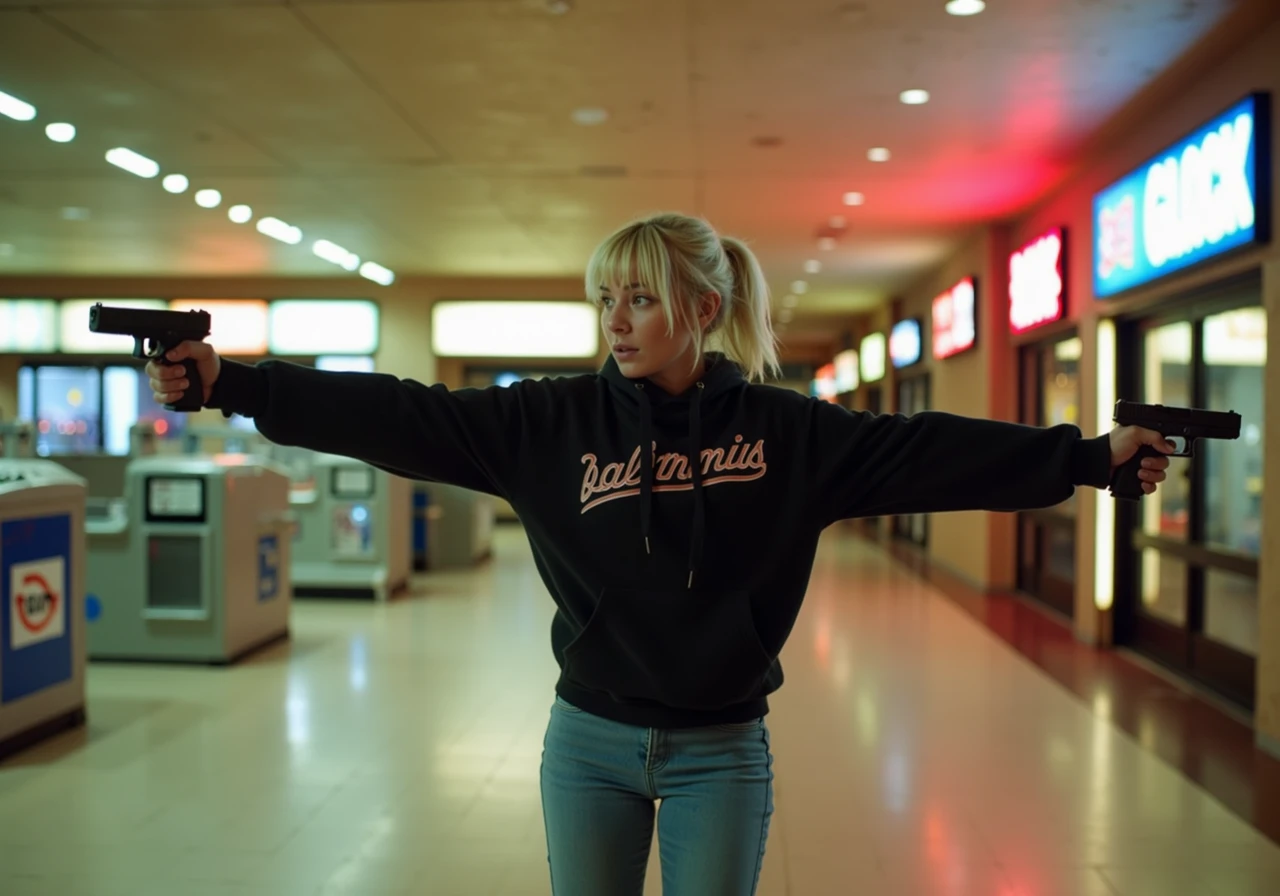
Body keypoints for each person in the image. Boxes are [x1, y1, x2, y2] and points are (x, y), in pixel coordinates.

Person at [146, 212, 1172, 896]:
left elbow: (926, 450)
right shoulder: (550, 424)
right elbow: (404, 413)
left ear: (702, 309)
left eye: (637, 298)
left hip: (720, 749)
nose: (615, 321)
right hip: (585, 740)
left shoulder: (786, 432)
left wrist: (1082, 457)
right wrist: (234, 380)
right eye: (606, 299)